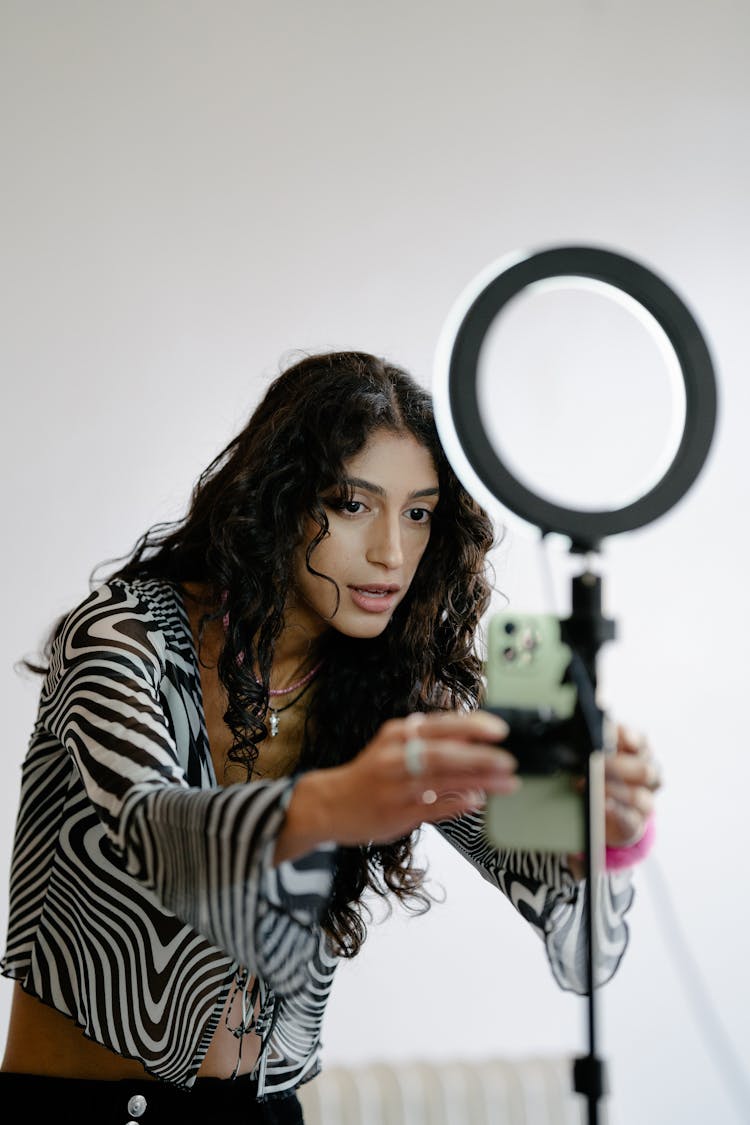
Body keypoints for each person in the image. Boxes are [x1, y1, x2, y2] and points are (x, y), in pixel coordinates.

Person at [0, 351, 660, 1123]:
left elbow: (583, 952)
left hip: (268, 1107)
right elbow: (160, 836)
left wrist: (601, 836)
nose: (392, 552)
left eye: (419, 512)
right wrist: (343, 800)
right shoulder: (122, 638)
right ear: (277, 497)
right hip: (83, 1106)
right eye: (352, 504)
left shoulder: (395, 693)